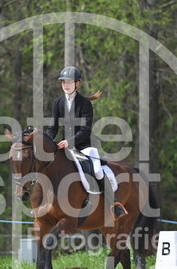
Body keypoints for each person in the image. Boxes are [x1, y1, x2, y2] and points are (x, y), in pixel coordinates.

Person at [45, 66, 127, 219]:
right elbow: (52, 128)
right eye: (63, 82)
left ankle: (114, 204)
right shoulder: (58, 103)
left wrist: (69, 141)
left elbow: (85, 131)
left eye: (69, 82)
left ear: (77, 84)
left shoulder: (85, 104)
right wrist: (47, 142)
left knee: (97, 170)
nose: (65, 85)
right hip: (64, 148)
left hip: (84, 147)